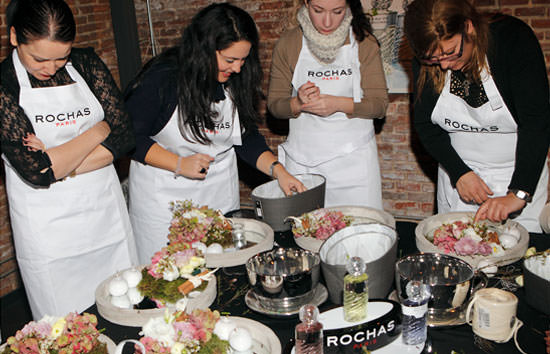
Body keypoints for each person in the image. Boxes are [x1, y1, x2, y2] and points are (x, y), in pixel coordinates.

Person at [125, 3, 306, 264]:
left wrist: (279, 171)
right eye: (230, 60)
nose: (238, 68)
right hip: (165, 197)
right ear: (204, 50)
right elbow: (129, 137)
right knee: (170, 273)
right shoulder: (164, 78)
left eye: (243, 60)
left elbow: (246, 137)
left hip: (218, 193)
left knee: (221, 268)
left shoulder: (236, 79)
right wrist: (178, 163)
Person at [0, 0, 137, 319]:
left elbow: (126, 136)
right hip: (49, 231)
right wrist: (98, 130)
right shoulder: (5, 83)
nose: (50, 68)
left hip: (105, 218)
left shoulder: (85, 63)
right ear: (14, 37)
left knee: (125, 309)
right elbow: (37, 171)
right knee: (64, 326)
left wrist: (59, 160)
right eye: (39, 59)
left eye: (61, 57)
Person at [404, 0, 550, 232]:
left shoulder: (512, 40)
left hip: (517, 172)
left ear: (468, 27)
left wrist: (519, 192)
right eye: (433, 60)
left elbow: (536, 122)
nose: (444, 66)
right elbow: (425, 124)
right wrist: (459, 172)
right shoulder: (429, 56)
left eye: (451, 52)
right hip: (460, 179)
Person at [267, 0, 389, 208]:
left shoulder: (364, 43)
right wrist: (297, 103)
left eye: (337, 11)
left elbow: (378, 105)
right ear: (306, 3)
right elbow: (275, 106)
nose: (327, 21)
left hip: (354, 163)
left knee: (359, 233)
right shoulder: (289, 43)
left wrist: (339, 104)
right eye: (318, 10)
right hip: (303, 162)